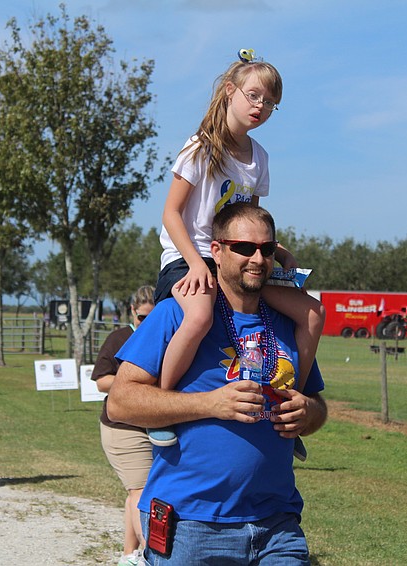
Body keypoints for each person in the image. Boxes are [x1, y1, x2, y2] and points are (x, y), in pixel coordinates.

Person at [108, 203, 328, 564]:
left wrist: (309, 412)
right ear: (216, 251)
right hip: (192, 526)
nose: (257, 258)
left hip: (277, 524)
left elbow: (317, 404)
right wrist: (210, 403)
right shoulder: (176, 313)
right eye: (244, 248)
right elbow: (120, 402)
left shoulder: (287, 323)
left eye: (266, 249)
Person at [151, 49, 325, 448]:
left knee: (313, 313)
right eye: (254, 96)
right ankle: (161, 407)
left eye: (269, 103)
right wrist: (195, 264)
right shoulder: (201, 147)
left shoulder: (259, 157)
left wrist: (276, 251)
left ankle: (286, 408)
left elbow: (251, 222)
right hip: (190, 255)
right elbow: (171, 213)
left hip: (237, 258)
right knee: (197, 316)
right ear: (230, 91)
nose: (260, 107)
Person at [92, 286, 156, 566]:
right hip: (122, 427)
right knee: (141, 491)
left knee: (138, 492)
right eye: (142, 318)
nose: (146, 324)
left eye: (153, 319)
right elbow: (101, 381)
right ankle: (151, 554)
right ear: (132, 312)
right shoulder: (119, 338)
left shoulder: (164, 336)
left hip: (154, 425)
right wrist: (134, 384)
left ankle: (129, 555)